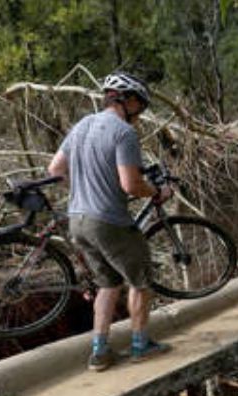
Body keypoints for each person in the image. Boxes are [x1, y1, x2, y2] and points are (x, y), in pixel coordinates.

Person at [47, 71, 174, 371]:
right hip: (108, 221)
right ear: (127, 101)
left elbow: (55, 169)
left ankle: (100, 353)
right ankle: (141, 346)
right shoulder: (123, 132)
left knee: (108, 285)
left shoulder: (82, 125)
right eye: (140, 105)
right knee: (140, 282)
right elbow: (131, 185)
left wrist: (85, 188)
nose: (140, 112)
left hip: (77, 219)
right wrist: (158, 191)